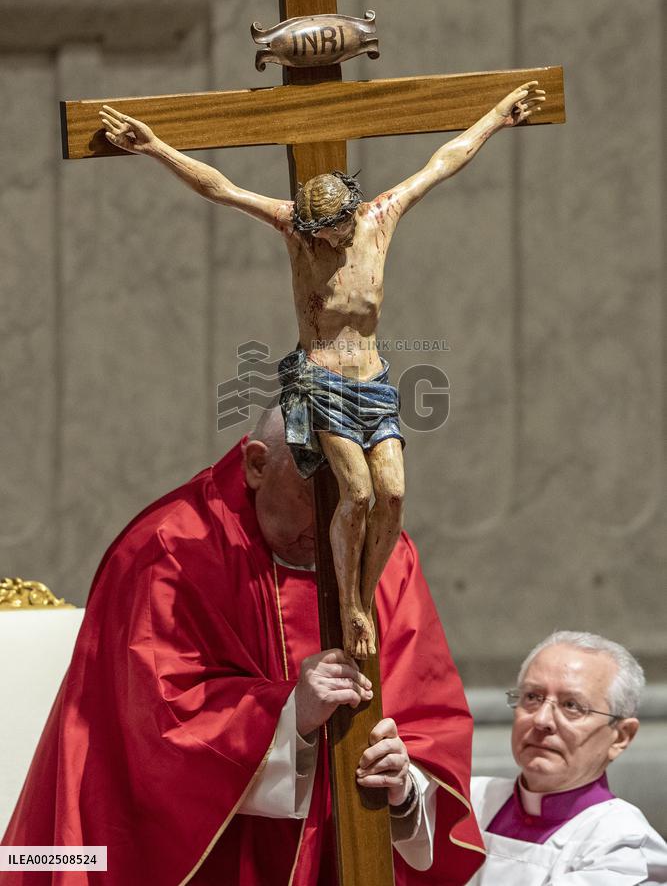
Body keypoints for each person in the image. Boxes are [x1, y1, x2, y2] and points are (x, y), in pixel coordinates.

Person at [98, 81, 545, 660]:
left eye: (328, 231)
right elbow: (222, 189)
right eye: (311, 232)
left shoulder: (379, 220)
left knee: (393, 493)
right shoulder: (297, 231)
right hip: (322, 382)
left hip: (373, 382)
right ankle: (351, 609)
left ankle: (364, 591)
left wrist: (496, 119)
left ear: (349, 213)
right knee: (354, 494)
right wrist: (155, 146)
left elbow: (443, 162)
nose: (320, 242)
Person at [2, 407, 485, 886]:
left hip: (343, 853)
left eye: (353, 509)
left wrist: (403, 785)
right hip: (193, 856)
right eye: (315, 499)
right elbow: (153, 729)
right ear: (257, 464)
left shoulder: (383, 556)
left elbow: (428, 715)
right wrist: (290, 712)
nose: (332, 532)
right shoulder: (170, 548)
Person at [468, 631, 667, 885]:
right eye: (532, 697)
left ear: (620, 736)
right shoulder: (470, 800)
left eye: (571, 705)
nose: (541, 720)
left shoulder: (624, 844)